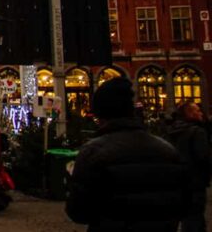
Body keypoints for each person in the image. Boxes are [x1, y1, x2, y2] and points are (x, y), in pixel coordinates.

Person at [66, 77, 190, 231]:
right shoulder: (168, 150)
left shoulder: (93, 152)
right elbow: (186, 205)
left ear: (100, 114)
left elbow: (78, 212)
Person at [167, 101, 210, 232]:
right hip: (195, 180)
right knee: (196, 218)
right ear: (190, 113)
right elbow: (204, 157)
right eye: (197, 110)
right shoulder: (197, 132)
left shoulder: (173, 131)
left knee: (187, 217)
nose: (201, 113)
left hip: (179, 180)